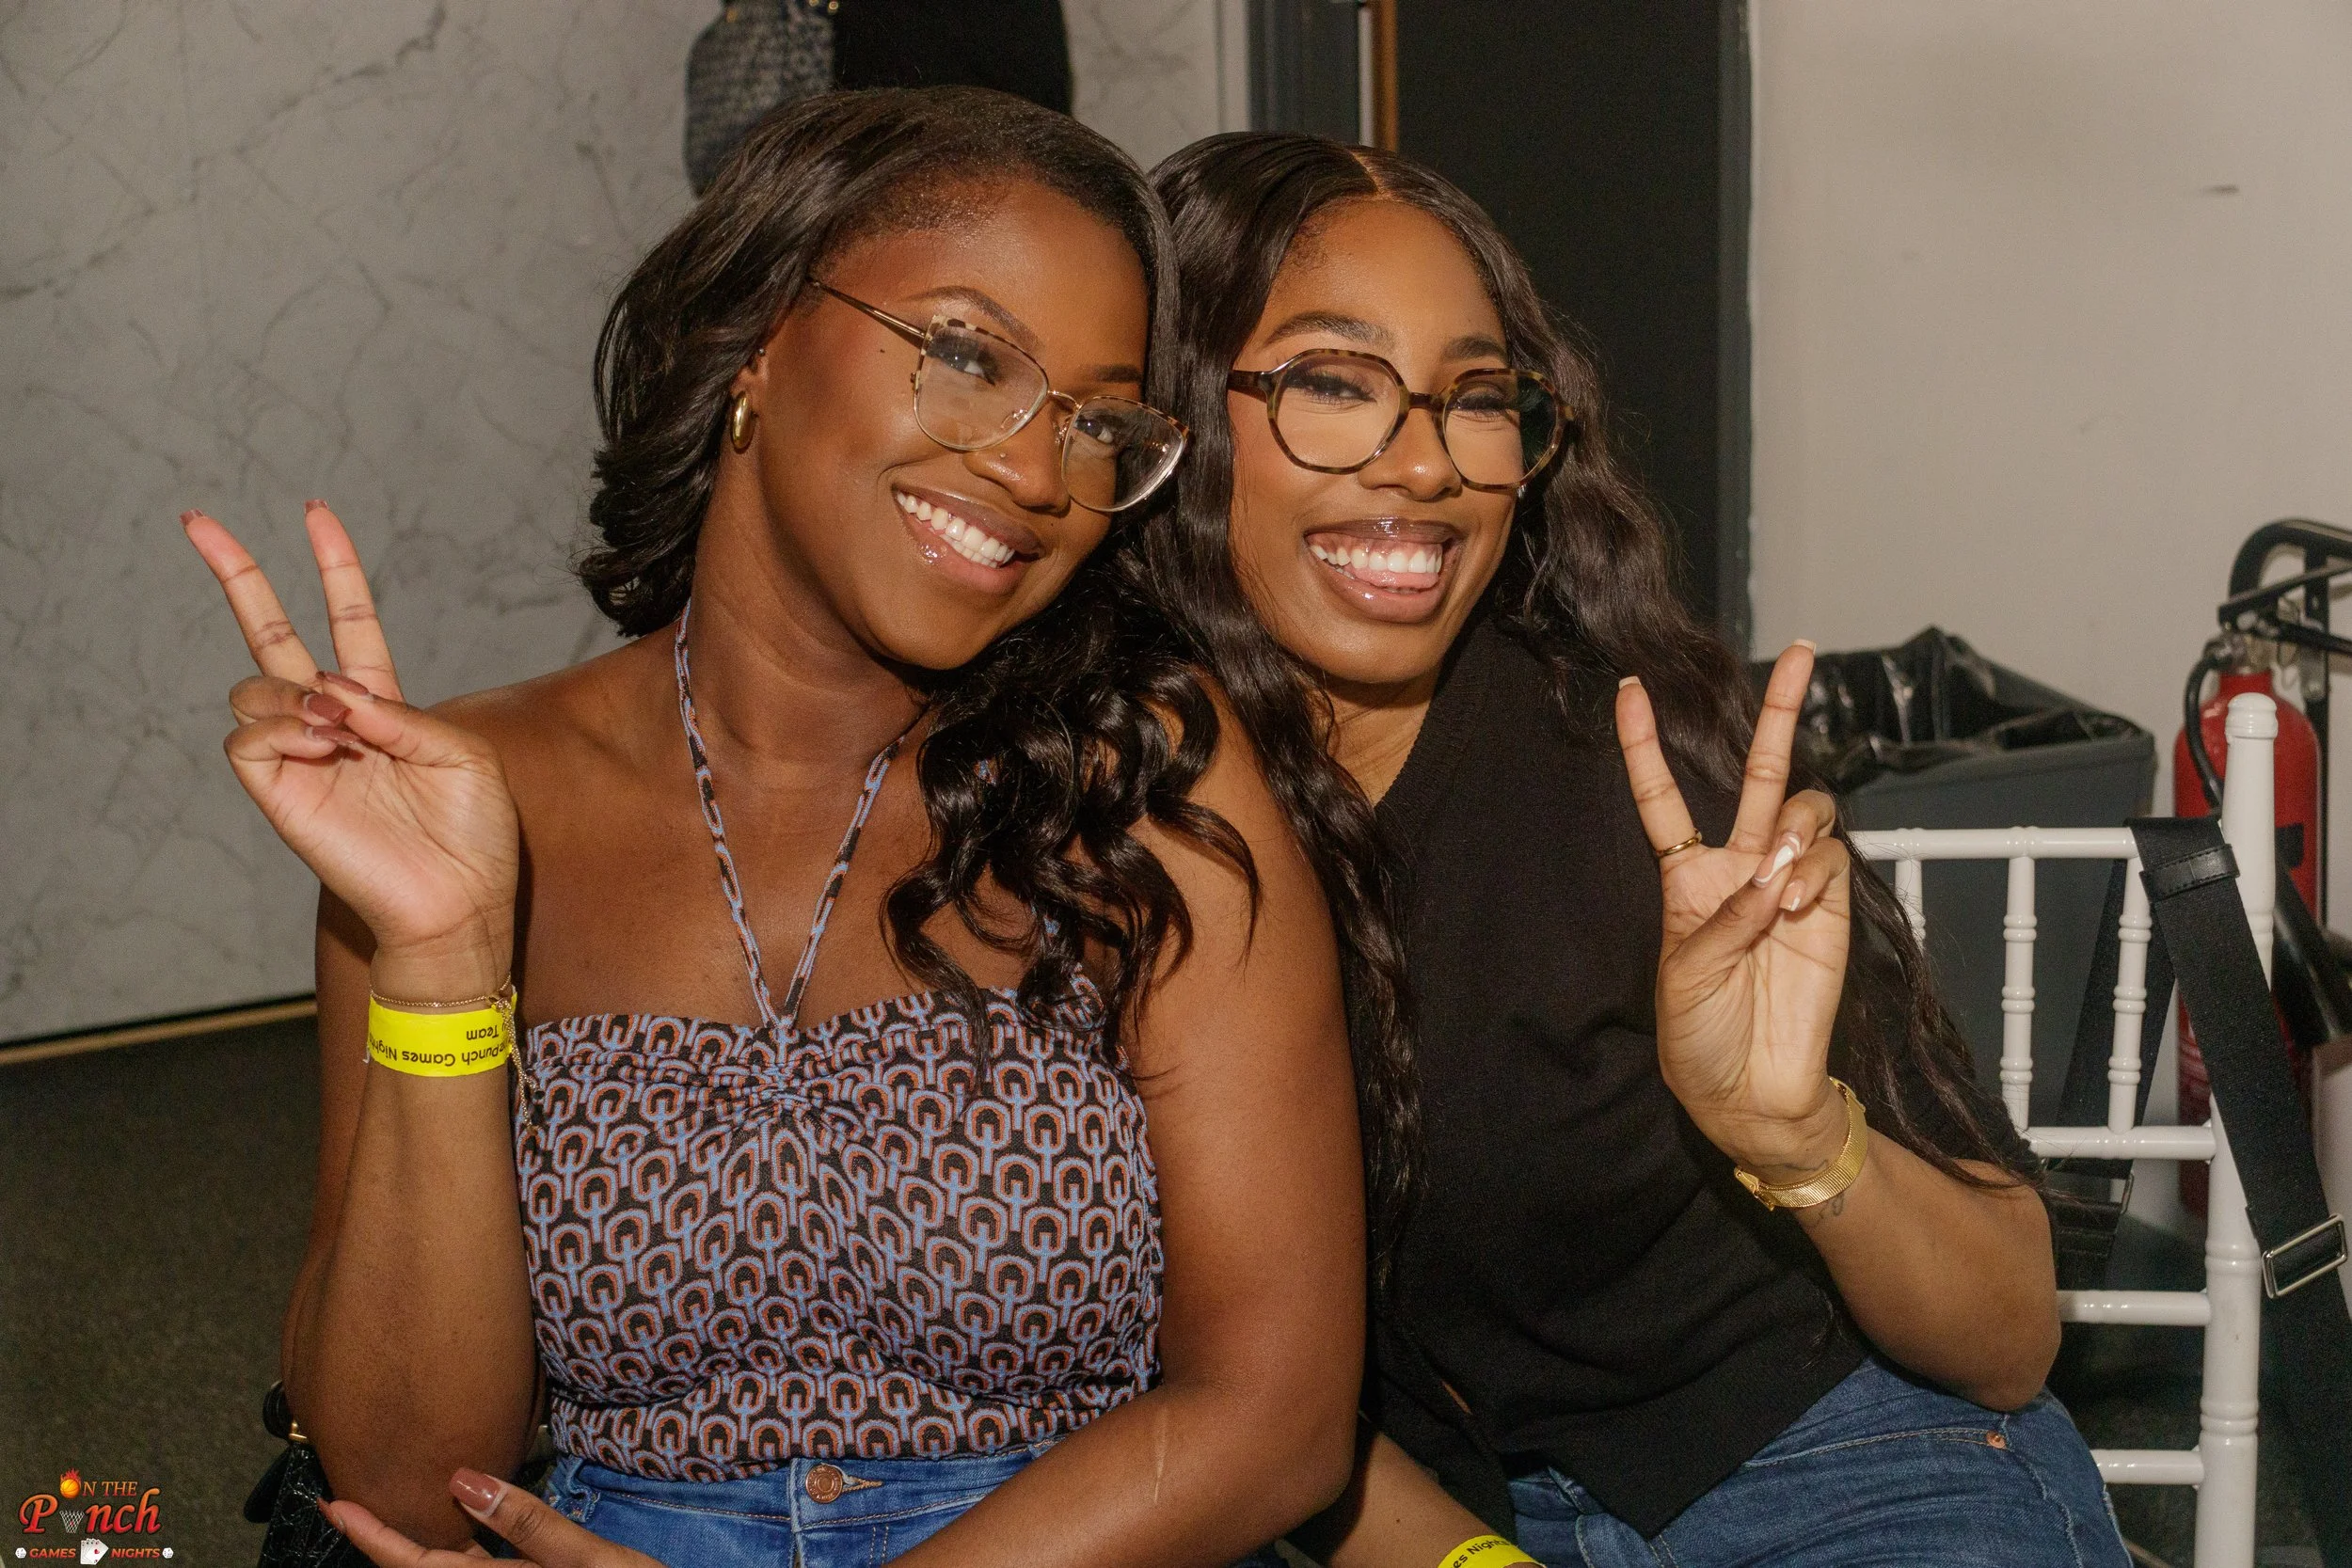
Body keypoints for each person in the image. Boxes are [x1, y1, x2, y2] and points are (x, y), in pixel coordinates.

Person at [183, 89, 1372, 1568]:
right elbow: (412, 1486)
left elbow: (1277, 1412)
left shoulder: (1146, 782)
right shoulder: (468, 796)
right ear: (758, 334)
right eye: (965, 355)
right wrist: (442, 954)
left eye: (1093, 424)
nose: (1030, 470)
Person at [1136, 132, 2130, 1568]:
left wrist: (1798, 1141)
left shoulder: (1629, 772)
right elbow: (1240, 1389)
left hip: (1844, 1466)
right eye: (1335, 384)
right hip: (1407, 1521)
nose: (1424, 464)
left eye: (1478, 399)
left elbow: (2006, 1331)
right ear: (1177, 415)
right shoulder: (1100, 808)